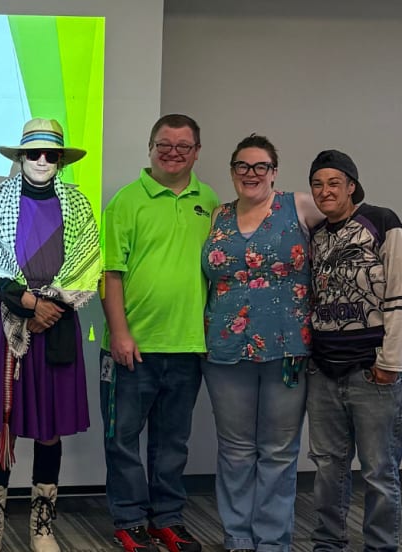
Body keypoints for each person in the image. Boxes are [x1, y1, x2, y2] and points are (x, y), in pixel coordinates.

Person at [0, 118, 101, 552]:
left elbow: (87, 266)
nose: (41, 161)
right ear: (21, 157)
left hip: (58, 323)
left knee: (49, 430)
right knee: (2, 428)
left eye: (50, 154)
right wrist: (29, 304)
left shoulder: (78, 205)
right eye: (33, 153)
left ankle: (43, 527)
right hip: (9, 325)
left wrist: (51, 308)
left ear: (60, 160)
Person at [100, 114, 218, 552]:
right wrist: (119, 333)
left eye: (183, 146)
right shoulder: (127, 202)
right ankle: (128, 519)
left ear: (197, 152)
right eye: (164, 144)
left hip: (188, 346)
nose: (173, 152)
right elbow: (110, 274)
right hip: (134, 346)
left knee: (173, 443)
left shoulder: (209, 200)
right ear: (150, 148)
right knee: (123, 438)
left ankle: (166, 519)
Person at [201, 134, 323, 552]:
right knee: (235, 450)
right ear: (232, 171)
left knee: (279, 450)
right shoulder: (217, 216)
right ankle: (238, 537)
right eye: (242, 166)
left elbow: (346, 225)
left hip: (287, 348)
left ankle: (272, 541)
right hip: (224, 350)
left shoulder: (300, 205)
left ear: (274, 172)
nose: (251, 174)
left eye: (260, 167)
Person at [305, 150, 402, 552]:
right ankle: (329, 543)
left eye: (333, 183)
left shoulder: (382, 222)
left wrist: (391, 362)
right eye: (317, 184)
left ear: (351, 186)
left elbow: (398, 294)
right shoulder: (316, 234)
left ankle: (381, 546)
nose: (325, 191)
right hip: (324, 370)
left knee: (380, 470)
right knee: (329, 468)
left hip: (372, 371)